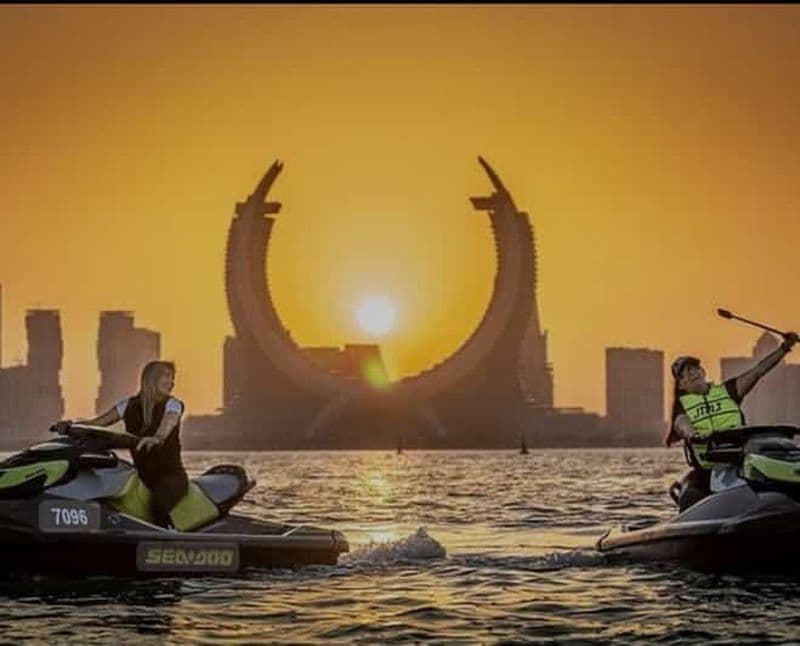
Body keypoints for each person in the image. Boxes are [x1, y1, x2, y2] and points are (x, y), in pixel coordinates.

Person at [665, 332, 799, 510]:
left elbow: (759, 370)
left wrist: (784, 348)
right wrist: (694, 434)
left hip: (741, 459)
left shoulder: (729, 391)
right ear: (681, 385)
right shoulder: (681, 409)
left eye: (694, 369)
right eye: (684, 374)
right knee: (692, 495)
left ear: (703, 372)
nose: (691, 374)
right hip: (710, 468)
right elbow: (682, 425)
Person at [53, 360, 188, 527]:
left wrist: (157, 438)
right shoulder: (128, 405)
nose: (171, 382)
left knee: (158, 506)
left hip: (171, 477)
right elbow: (96, 424)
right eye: (166, 376)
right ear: (151, 378)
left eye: (172, 378)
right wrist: (71, 427)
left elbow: (169, 422)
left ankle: (167, 537)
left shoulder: (173, 404)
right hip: (142, 476)